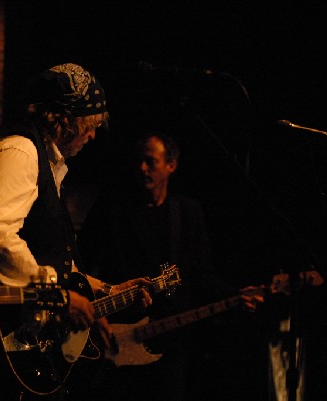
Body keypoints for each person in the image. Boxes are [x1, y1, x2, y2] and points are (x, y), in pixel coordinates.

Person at [0, 63, 154, 401]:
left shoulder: (41, 159)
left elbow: (47, 256)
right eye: (90, 125)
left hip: (22, 335)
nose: (93, 136)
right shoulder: (20, 151)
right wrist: (57, 295)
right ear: (65, 119)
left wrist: (108, 290)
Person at [77, 131, 264, 401]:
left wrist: (235, 294)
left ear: (171, 165)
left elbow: (201, 275)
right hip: (112, 337)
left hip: (169, 342)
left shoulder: (187, 213)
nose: (142, 168)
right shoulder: (111, 209)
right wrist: (95, 314)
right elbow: (82, 264)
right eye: (139, 161)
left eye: (150, 162)